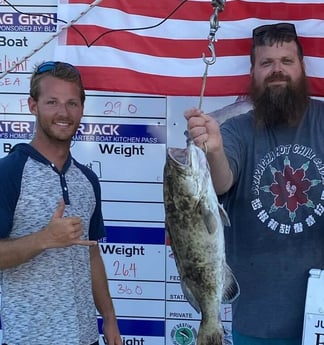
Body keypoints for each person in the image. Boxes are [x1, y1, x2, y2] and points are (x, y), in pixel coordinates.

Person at [185, 23, 324, 345]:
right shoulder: (234, 130)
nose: (277, 71)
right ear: (254, 72)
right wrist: (214, 150)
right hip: (257, 321)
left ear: (302, 67)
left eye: (286, 61)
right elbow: (221, 184)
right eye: (266, 63)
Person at [0, 61, 122, 345]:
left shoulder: (87, 179)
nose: (63, 113)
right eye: (52, 102)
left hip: (86, 338)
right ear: (33, 106)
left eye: (72, 103)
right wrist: (44, 239)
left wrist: (110, 319)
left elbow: (91, 255)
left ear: (81, 109)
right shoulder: (9, 173)